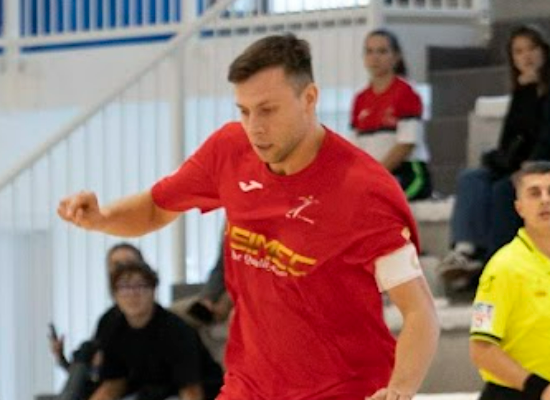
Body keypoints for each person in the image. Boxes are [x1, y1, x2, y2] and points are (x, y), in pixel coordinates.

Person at [58, 33, 439, 400]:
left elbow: (419, 312)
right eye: (244, 111)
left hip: (346, 390)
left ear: (309, 99)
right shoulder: (230, 150)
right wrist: (103, 217)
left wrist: (400, 389)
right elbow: (157, 208)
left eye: (268, 110)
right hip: (250, 385)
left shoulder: (364, 191)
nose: (255, 127)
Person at [437, 24, 550, 295]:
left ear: (545, 51)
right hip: (518, 165)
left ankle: (494, 263)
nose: (526, 56)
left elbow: (546, 138)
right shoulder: (522, 91)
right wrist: (526, 93)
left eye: (532, 48)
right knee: (472, 178)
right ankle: (466, 250)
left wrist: (527, 167)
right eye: (518, 51)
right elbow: (510, 140)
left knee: (503, 190)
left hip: (542, 165)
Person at [469, 161, 550, 400]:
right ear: (519, 207)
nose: (545, 200)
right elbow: (481, 348)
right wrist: (540, 389)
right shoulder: (503, 268)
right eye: (534, 193)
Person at [90, 260, 223, 400]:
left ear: (153, 291)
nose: (133, 294)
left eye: (140, 286)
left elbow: (191, 391)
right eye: (124, 287)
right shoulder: (111, 326)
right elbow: (113, 383)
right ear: (115, 295)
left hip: (188, 392)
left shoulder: (176, 331)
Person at [50, 243, 146, 400]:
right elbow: (89, 376)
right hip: (100, 390)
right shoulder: (108, 320)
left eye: (129, 264)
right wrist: (61, 358)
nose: (123, 271)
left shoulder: (160, 323)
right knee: (87, 349)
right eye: (116, 266)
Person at [350, 28, 432, 201]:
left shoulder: (406, 93)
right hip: (374, 176)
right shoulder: (360, 99)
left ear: (396, 56)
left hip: (408, 171)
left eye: (382, 51)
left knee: (383, 204)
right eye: (369, 51)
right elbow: (355, 148)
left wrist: (376, 174)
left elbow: (407, 144)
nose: (375, 57)